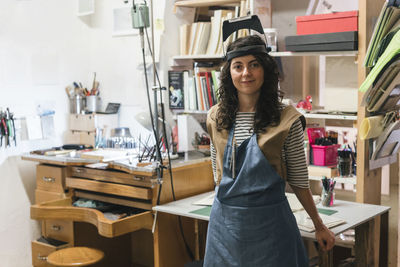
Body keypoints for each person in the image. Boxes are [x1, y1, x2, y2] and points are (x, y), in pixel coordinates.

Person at [204, 35, 335, 266]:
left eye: (254, 65)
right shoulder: (216, 117)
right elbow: (218, 176)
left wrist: (319, 225)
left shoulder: (287, 119)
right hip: (225, 231)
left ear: (265, 70)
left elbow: (298, 179)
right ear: (229, 73)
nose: (246, 73)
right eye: (238, 66)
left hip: (271, 231)